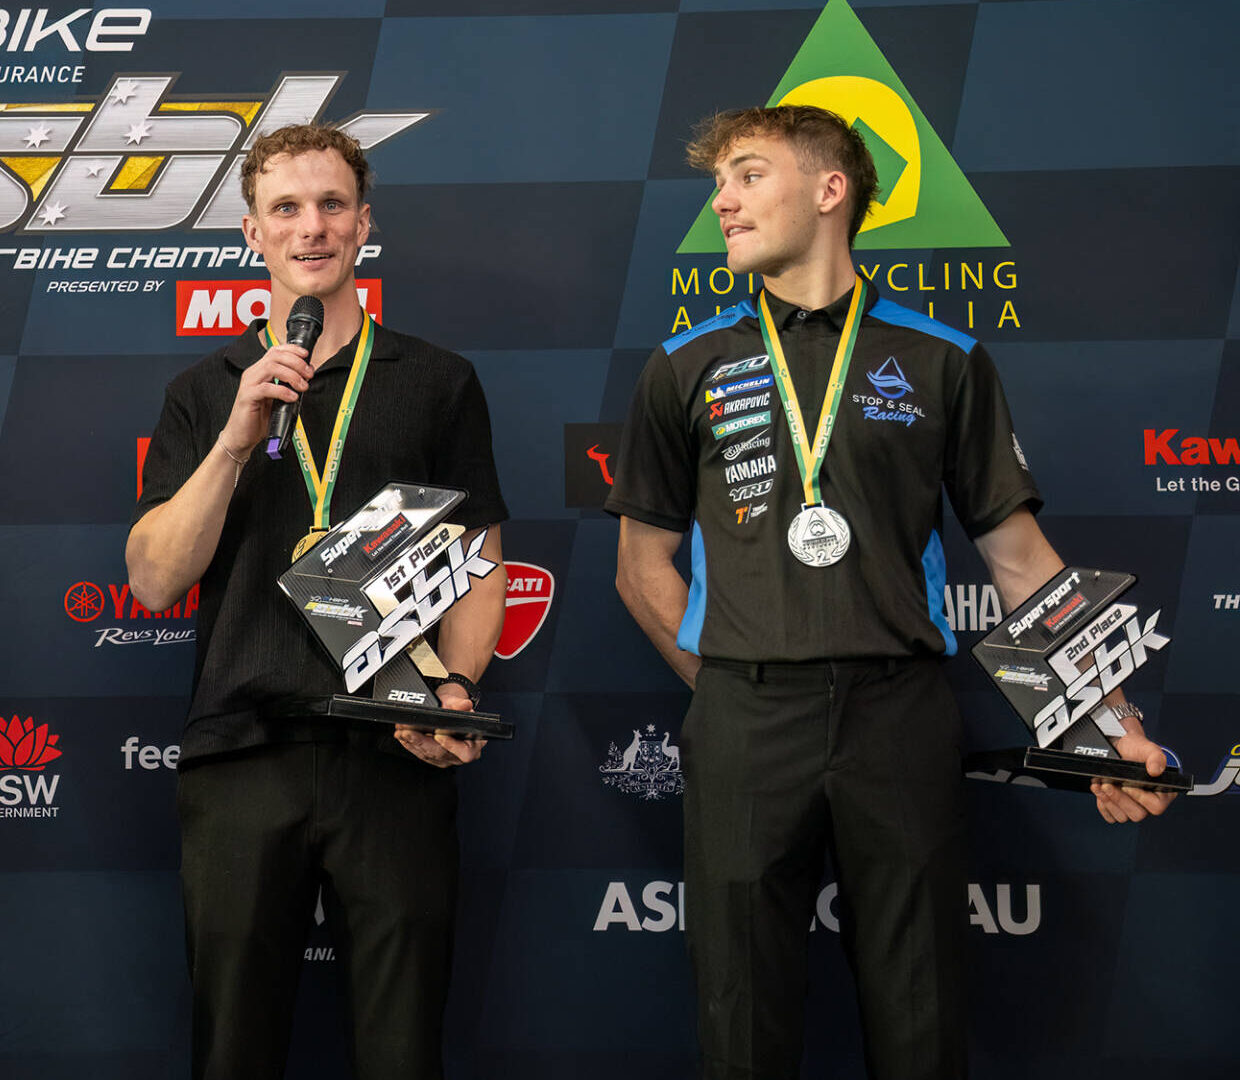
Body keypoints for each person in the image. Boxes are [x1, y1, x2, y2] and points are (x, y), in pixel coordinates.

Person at [607, 104, 1175, 1079]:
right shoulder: (683, 365)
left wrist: (1108, 719)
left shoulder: (944, 359)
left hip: (898, 715)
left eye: (749, 176)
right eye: (719, 185)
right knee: (741, 1018)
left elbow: (1021, 562)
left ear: (830, 190)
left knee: (921, 1012)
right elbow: (639, 565)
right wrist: (731, 687)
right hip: (744, 716)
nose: (723, 202)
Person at [126, 124, 507, 1080]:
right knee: (234, 1050)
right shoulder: (202, 392)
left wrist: (456, 689)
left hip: (395, 751)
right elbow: (155, 580)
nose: (312, 227)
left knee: (402, 1049)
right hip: (243, 751)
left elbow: (479, 558)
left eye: (333, 205)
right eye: (287, 208)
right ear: (251, 231)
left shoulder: (437, 380)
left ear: (364, 224)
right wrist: (234, 439)